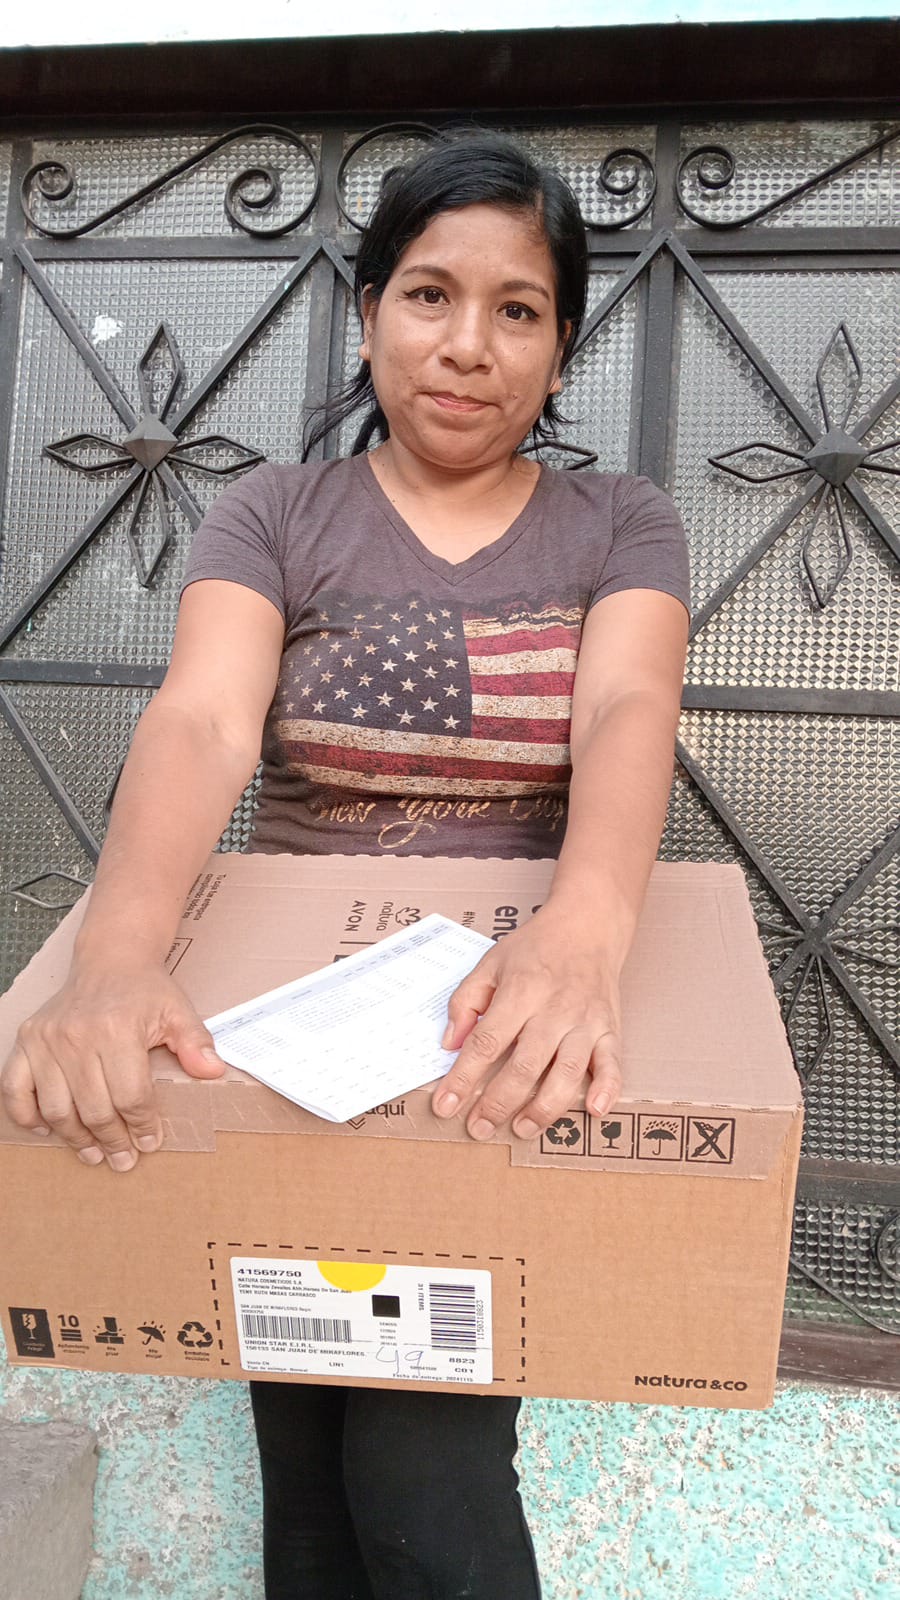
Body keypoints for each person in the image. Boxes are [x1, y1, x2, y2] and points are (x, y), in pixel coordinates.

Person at [1, 132, 690, 1599]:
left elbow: (629, 707)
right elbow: (202, 719)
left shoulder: (619, 524)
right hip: (291, 1050)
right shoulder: (274, 513)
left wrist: (587, 929)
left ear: (562, 345)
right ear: (370, 311)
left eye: (518, 309)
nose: (468, 344)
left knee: (425, 1480)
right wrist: (114, 957)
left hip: (486, 1053)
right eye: (429, 294)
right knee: (305, 1477)